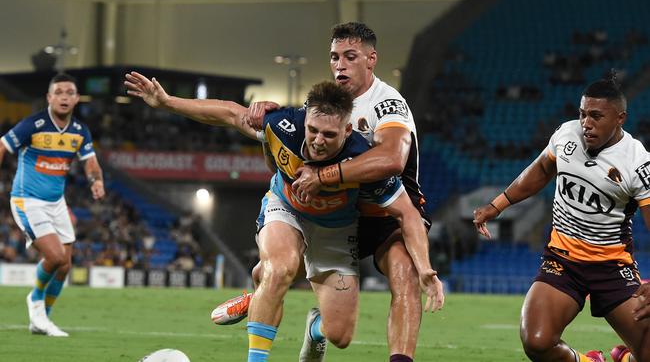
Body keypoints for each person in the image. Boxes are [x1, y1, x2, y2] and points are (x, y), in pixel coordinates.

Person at [124, 73, 444, 362]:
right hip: (285, 208)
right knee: (281, 268)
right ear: (305, 120)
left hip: (335, 230)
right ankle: (265, 307)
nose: (318, 140)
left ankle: (302, 320)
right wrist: (167, 103)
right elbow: (228, 113)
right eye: (313, 130)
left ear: (347, 130)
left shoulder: (362, 160)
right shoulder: (283, 125)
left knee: (340, 335)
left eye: (329, 135)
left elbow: (408, 215)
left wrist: (425, 269)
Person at [240, 22, 433, 362]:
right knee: (275, 272)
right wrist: (270, 113)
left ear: (371, 59)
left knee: (404, 272)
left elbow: (391, 158)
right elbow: (282, 129)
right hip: (344, 212)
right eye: (334, 57)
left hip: (388, 211)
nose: (340, 64)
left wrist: (325, 175)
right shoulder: (330, 104)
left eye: (350, 56)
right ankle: (265, 297)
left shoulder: (387, 104)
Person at [472, 78, 650, 362]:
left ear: (620, 119)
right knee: (537, 342)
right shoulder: (567, 135)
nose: (585, 123)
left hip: (612, 266)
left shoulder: (637, 162)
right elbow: (541, 169)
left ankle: (626, 357)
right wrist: (498, 204)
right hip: (563, 260)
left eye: (596, 116)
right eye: (582, 113)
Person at [0, 72, 105, 337]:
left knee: (66, 264)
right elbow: (2, 145)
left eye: (69, 92)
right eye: (58, 92)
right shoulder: (32, 125)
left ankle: (42, 320)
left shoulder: (80, 132)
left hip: (56, 202)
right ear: (49, 97)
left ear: (77, 98)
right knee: (55, 256)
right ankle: (35, 301)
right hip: (27, 200)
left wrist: (96, 180)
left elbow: (90, 161)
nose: (64, 97)